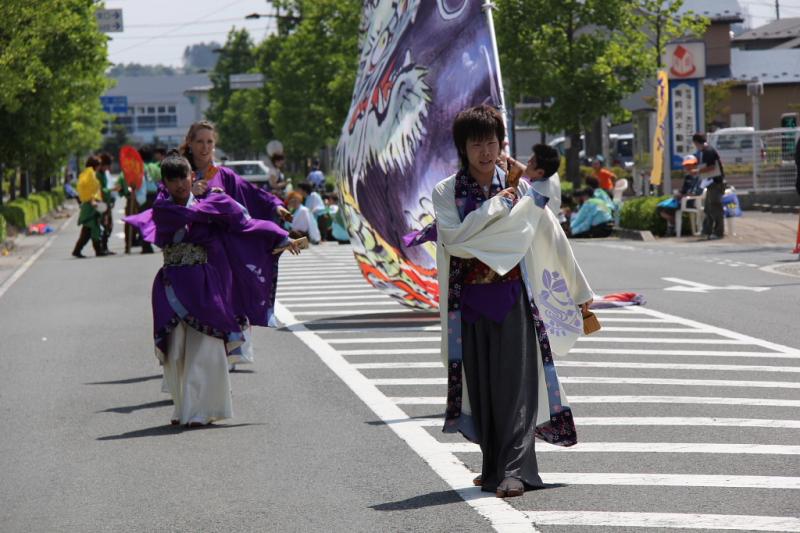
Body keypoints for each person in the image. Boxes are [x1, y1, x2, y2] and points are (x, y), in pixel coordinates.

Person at [433, 105, 593, 498]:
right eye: (477, 144)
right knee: (484, 389)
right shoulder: (446, 191)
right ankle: (493, 469)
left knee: (516, 389)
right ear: (463, 148)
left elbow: (552, 237)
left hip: (513, 299)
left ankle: (514, 470)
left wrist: (581, 293)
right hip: (467, 304)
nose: (486, 152)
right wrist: (497, 209)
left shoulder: (523, 189)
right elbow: (453, 241)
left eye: (492, 142)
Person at [126, 151, 301, 426]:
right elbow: (179, 215)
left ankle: (202, 411)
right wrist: (212, 205)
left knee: (205, 349)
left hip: (205, 284)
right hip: (171, 285)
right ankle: (183, 407)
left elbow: (245, 224)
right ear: (165, 184)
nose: (179, 185)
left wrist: (280, 235)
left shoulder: (213, 200)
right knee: (176, 352)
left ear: (191, 176)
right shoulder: (163, 208)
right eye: (172, 181)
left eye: (182, 178)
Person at [656, 155, 702, 236]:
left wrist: (684, 196)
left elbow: (696, 192)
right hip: (681, 200)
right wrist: (678, 194)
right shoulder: (688, 177)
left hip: (691, 201)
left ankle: (672, 228)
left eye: (690, 164)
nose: (688, 167)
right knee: (661, 208)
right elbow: (683, 190)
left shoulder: (700, 177)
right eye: (686, 165)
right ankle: (673, 226)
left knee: (667, 209)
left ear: (695, 164)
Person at [692, 132, 725, 240]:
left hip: (715, 182)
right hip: (711, 183)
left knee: (715, 207)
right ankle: (707, 230)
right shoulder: (706, 150)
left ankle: (718, 232)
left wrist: (698, 171)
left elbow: (711, 167)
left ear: (697, 143)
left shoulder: (708, 151)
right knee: (708, 208)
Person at [72, 156, 107, 258]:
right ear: (96, 165)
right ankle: (97, 250)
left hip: (88, 205)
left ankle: (79, 250)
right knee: (93, 228)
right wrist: (93, 200)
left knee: (88, 230)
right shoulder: (91, 174)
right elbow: (90, 189)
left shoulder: (85, 173)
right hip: (91, 205)